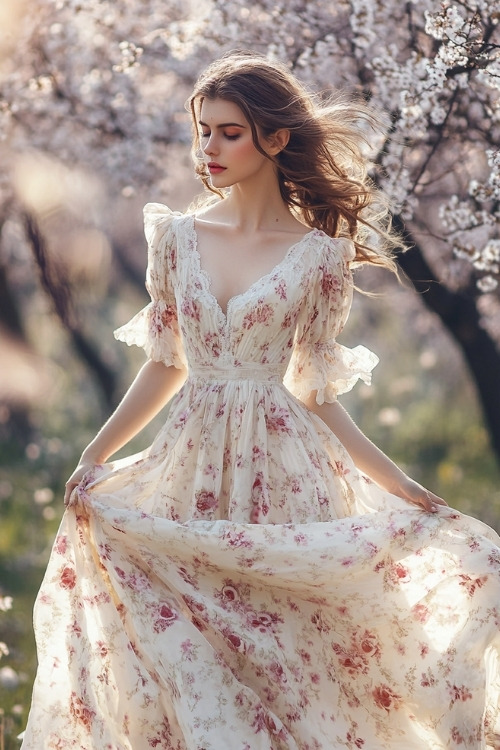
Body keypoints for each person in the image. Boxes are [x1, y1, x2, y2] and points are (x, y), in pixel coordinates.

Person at [22, 50, 500, 749]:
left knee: (291, 658)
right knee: (196, 655)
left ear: (274, 139)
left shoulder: (320, 256)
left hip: (284, 471)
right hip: (189, 468)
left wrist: (400, 486)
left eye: (228, 132)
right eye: (202, 130)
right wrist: (95, 456)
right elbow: (166, 365)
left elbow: (316, 392)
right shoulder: (178, 239)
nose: (207, 148)